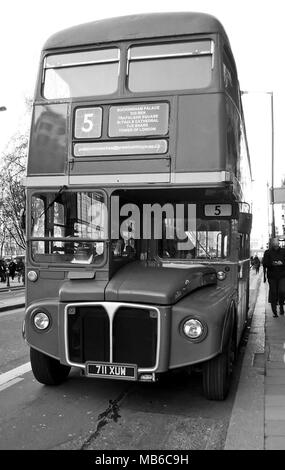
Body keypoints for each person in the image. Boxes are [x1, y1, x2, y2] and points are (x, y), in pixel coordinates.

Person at [262, 238, 285, 317]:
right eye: (274, 243)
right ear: (272, 244)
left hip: (282, 275)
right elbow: (264, 263)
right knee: (273, 292)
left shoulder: (283, 251)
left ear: (278, 243)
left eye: (276, 243)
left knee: (282, 291)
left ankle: (281, 305)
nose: (275, 244)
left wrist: (282, 263)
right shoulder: (267, 252)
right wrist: (272, 264)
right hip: (272, 276)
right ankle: (274, 310)